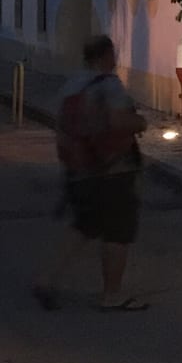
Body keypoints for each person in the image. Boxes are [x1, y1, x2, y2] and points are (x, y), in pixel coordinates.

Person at [34, 34, 149, 312]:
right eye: (113, 54)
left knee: (85, 225)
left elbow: (62, 128)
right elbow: (118, 121)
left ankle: (46, 279)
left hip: (79, 171)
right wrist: (140, 122)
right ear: (105, 56)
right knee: (118, 232)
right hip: (112, 170)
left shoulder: (72, 85)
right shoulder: (108, 84)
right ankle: (112, 295)